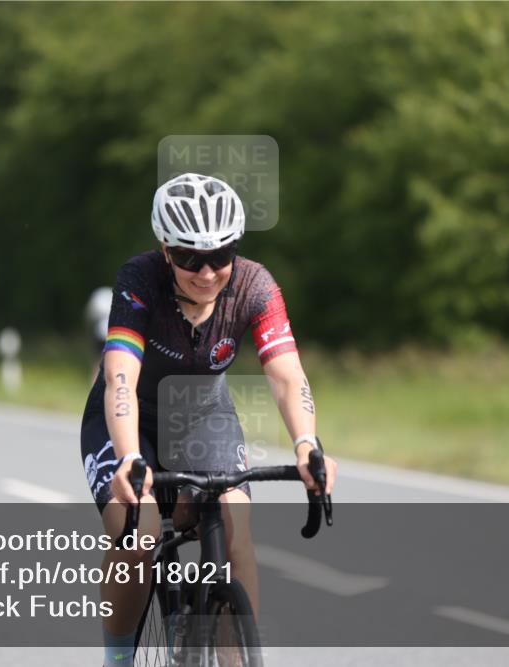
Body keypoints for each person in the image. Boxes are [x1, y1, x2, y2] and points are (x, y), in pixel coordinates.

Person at [80, 173, 338, 666]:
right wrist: (130, 457)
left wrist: (307, 444)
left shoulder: (255, 286)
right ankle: (118, 659)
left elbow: (287, 376)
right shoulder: (140, 280)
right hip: (129, 419)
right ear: (165, 249)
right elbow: (120, 378)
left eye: (220, 256)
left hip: (203, 415)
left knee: (236, 531)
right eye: (188, 257)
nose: (206, 273)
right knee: (140, 532)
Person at [85, 286, 113, 382]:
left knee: (98, 362)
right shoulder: (113, 295)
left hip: (100, 334)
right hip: (112, 334)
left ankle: (95, 384)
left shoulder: (98, 296)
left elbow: (90, 316)